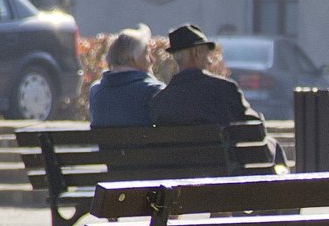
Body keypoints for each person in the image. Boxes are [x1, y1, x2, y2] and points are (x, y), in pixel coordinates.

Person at [149, 23, 287, 165]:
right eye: (207, 53)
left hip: (178, 179)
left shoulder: (159, 102)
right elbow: (254, 129)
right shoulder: (225, 89)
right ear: (197, 53)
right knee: (272, 145)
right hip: (224, 175)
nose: (210, 59)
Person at [89, 23, 164, 127]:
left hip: (109, 144)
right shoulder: (153, 90)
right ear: (132, 59)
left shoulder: (95, 91)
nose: (152, 60)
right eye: (147, 53)